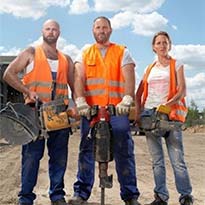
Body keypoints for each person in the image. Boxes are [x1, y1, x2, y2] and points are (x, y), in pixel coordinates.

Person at [68, 16, 141, 205]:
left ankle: (130, 195)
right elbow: (78, 77)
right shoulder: (85, 52)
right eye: (98, 27)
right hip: (90, 110)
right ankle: (81, 193)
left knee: (124, 148)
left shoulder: (121, 51)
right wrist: (80, 101)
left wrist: (127, 99)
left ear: (110, 30)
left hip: (117, 110)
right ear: (93, 31)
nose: (101, 30)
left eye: (104, 27)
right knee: (86, 148)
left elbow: (129, 76)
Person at [3, 19, 74, 205]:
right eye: (48, 29)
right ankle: (25, 198)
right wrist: (27, 91)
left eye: (54, 29)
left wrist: (75, 104)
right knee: (31, 157)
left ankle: (57, 195)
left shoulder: (66, 59)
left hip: (59, 115)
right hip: (35, 113)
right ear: (43, 31)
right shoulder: (31, 52)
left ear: (59, 33)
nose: (51, 32)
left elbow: (75, 86)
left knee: (59, 158)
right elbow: (8, 74)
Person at [135, 31, 193, 205]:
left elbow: (182, 90)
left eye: (165, 43)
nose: (162, 46)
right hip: (150, 115)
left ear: (169, 45)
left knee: (177, 159)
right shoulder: (149, 68)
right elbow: (139, 93)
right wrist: (138, 114)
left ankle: (185, 196)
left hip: (170, 116)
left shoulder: (176, 64)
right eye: (158, 43)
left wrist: (166, 105)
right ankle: (161, 196)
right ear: (153, 47)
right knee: (157, 161)